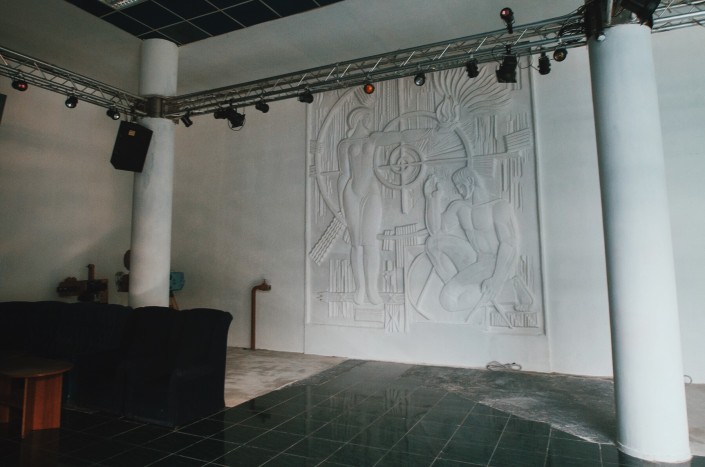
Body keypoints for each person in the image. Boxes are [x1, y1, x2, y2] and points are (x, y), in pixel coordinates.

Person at [337, 107, 433, 306]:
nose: (371, 120)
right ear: (360, 118)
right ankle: (359, 288)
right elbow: (344, 175)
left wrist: (429, 131)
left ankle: (372, 288)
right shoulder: (345, 144)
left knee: (369, 242)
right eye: (368, 117)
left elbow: (401, 136)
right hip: (351, 193)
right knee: (356, 243)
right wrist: (340, 206)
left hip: (371, 192)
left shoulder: (373, 139)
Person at [424, 166, 531, 315]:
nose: (459, 191)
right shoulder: (460, 207)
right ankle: (468, 287)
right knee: (433, 243)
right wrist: (433, 198)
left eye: (460, 186)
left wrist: (497, 279)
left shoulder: (498, 206)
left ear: (470, 181)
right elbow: (435, 231)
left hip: (497, 264)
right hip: (477, 260)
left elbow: (508, 244)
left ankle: (504, 288)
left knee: (447, 301)